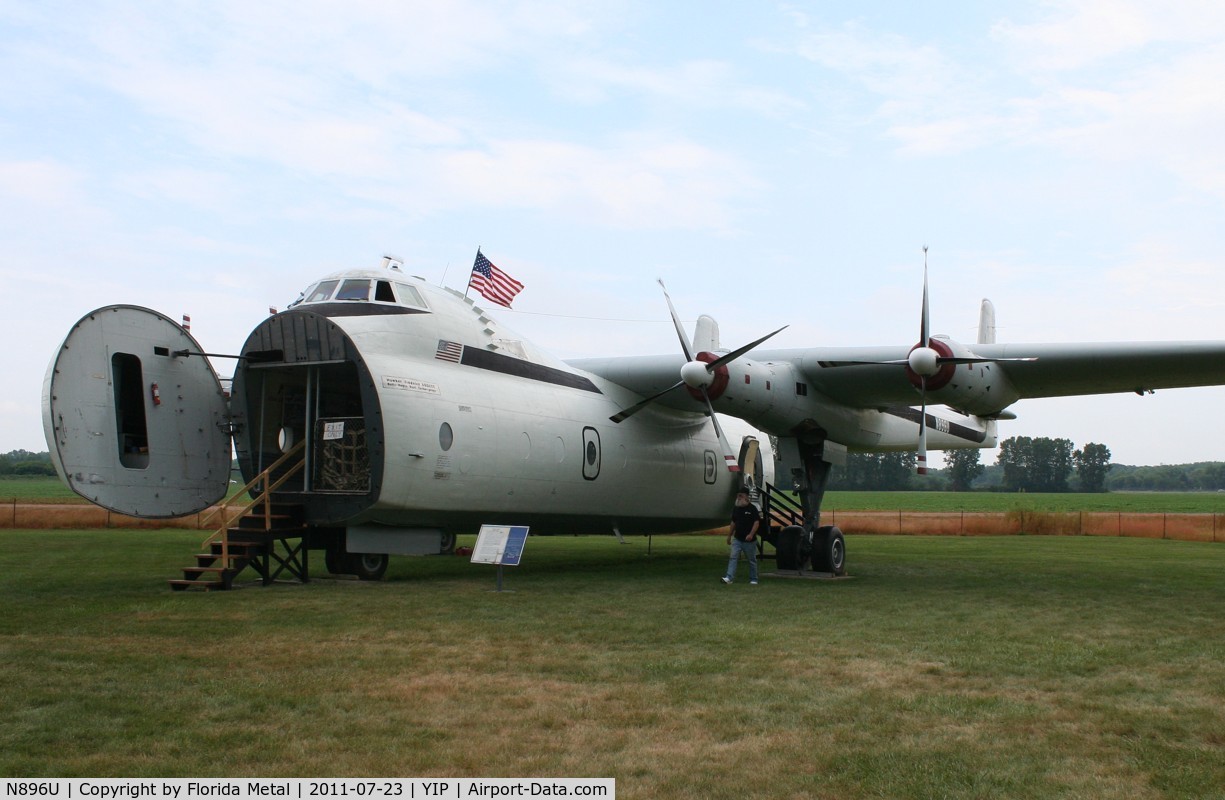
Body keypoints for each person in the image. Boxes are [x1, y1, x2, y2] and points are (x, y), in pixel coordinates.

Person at [722, 488, 761, 585]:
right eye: (738, 496)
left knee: (751, 560)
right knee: (733, 557)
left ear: (747, 497)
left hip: (749, 541)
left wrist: (751, 534)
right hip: (737, 539)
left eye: (741, 496)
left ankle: (753, 579)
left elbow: (756, 523)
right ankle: (729, 577)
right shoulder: (736, 509)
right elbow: (733, 522)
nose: (738, 498)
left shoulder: (752, 509)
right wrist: (729, 535)